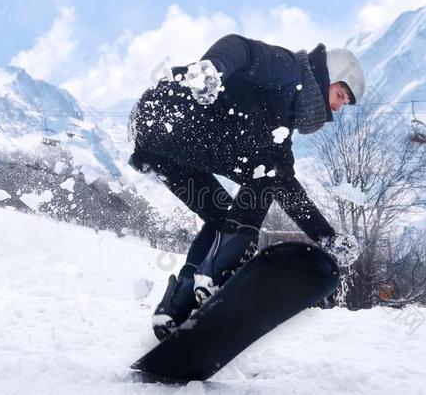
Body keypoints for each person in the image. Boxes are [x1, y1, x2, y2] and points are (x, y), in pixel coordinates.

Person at [127, 34, 366, 341]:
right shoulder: (290, 70)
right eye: (341, 94)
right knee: (266, 171)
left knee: (225, 212)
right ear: (329, 75)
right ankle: (221, 274)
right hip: (171, 116)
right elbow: (240, 47)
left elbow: (287, 188)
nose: (339, 107)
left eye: (345, 103)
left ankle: (176, 309)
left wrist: (327, 237)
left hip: (159, 142)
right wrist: (211, 69)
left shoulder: (280, 130)